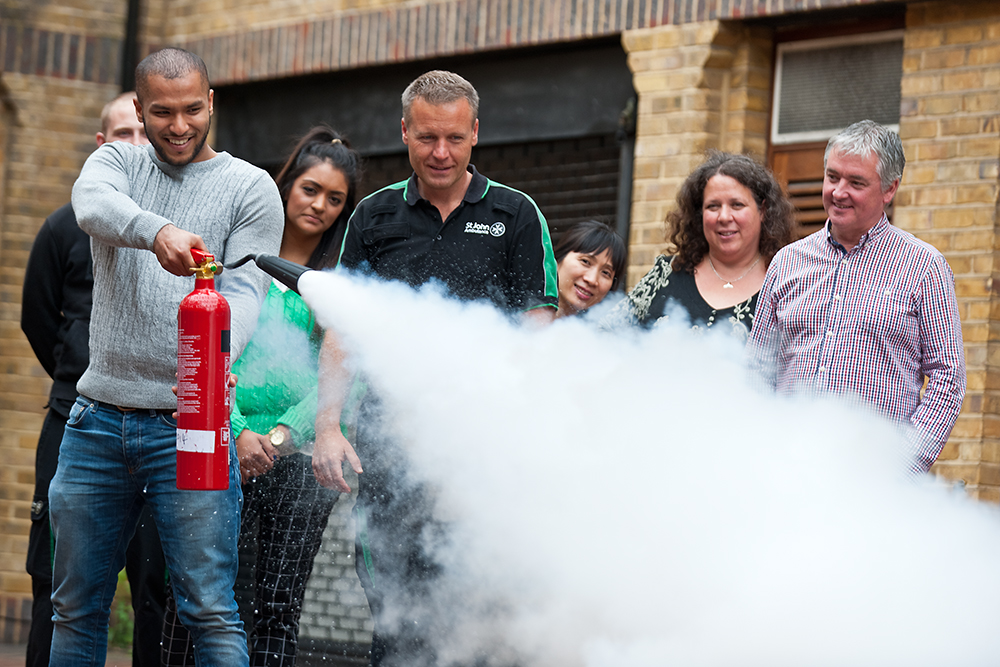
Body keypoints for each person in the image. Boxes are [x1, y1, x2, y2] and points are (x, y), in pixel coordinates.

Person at [312, 70, 558, 667]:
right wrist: (326, 426)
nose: (440, 153)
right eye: (426, 138)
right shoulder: (372, 216)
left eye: (453, 137)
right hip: (388, 452)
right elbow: (343, 327)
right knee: (393, 617)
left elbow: (538, 323)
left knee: (473, 621)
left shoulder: (515, 213)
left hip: (479, 461)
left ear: (475, 133)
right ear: (404, 132)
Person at [47, 47, 284, 667]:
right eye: (161, 112)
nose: (178, 126)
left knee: (209, 608)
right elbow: (91, 206)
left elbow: (245, 292)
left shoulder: (250, 188)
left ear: (211, 103)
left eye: (190, 110)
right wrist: (158, 233)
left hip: (193, 427)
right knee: (74, 606)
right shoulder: (116, 162)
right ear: (139, 109)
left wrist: (217, 347)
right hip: (96, 420)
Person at [160, 127, 362, 666]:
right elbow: (203, 350)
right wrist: (238, 429)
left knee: (278, 606)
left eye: (335, 199)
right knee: (198, 601)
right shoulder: (232, 259)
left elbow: (347, 372)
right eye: (311, 189)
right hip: (219, 446)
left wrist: (280, 435)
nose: (319, 205)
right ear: (287, 185)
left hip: (295, 463)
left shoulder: (336, 283)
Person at [21, 91, 167, 667]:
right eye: (123, 134)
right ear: (103, 146)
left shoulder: (176, 228)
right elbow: (38, 318)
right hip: (74, 420)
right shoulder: (63, 226)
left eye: (143, 133)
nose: (137, 143)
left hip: (157, 426)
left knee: (155, 586)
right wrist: (75, 377)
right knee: (56, 584)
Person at [747, 120, 966, 474]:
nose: (838, 191)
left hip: (873, 486)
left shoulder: (925, 267)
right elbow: (757, 368)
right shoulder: (786, 262)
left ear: (890, 189)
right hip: (785, 474)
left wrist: (901, 466)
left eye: (856, 182)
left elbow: (948, 379)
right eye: (832, 177)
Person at [602, 152, 796, 338]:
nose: (724, 217)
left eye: (737, 204)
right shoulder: (665, 274)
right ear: (699, 214)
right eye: (713, 206)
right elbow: (606, 337)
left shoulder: (786, 286)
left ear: (762, 210)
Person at [553, 219, 626, 318]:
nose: (592, 280)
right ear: (558, 259)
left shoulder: (607, 331)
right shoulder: (526, 313)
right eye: (586, 262)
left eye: (605, 272)